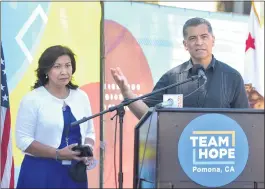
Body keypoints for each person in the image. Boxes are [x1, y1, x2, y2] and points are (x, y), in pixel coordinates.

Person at [111, 17, 250, 120]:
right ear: (185, 44)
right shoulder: (172, 78)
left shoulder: (232, 77)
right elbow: (146, 114)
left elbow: (245, 120)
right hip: (179, 152)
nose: (199, 42)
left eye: (204, 37)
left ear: (213, 40)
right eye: (193, 38)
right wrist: (126, 91)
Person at [15, 45, 96, 188]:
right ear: (46, 70)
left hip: (74, 173)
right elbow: (23, 141)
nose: (64, 71)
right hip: (41, 172)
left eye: (68, 66)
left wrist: (87, 150)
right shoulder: (32, 99)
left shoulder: (81, 96)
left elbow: (90, 132)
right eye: (57, 67)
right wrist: (57, 153)